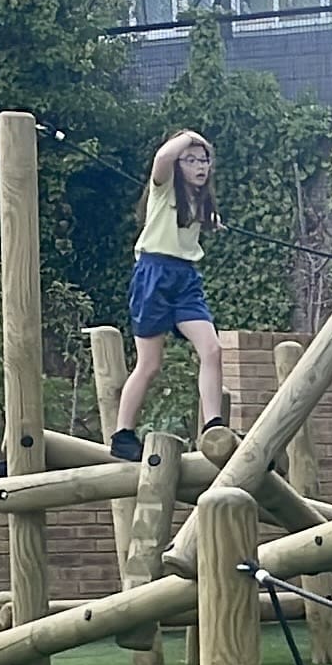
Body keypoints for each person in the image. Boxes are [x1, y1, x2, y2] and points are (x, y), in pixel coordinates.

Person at [111, 130, 225, 459]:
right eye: (191, 160)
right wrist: (190, 136)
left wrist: (211, 221)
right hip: (154, 274)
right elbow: (162, 158)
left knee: (212, 349)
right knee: (150, 363)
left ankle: (213, 424)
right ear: (178, 165)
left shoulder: (199, 201)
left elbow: (189, 224)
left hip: (186, 278)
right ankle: (122, 435)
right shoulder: (162, 188)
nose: (200, 166)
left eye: (204, 160)